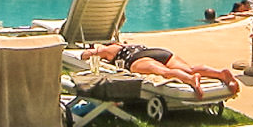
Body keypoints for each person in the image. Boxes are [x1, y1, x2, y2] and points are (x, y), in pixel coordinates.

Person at [80, 42, 240, 97]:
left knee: (164, 72)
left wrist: (94, 50)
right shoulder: (131, 44)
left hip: (136, 59)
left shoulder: (113, 50)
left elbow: (88, 54)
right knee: (189, 68)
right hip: (159, 51)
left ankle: (191, 80)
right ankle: (220, 74)